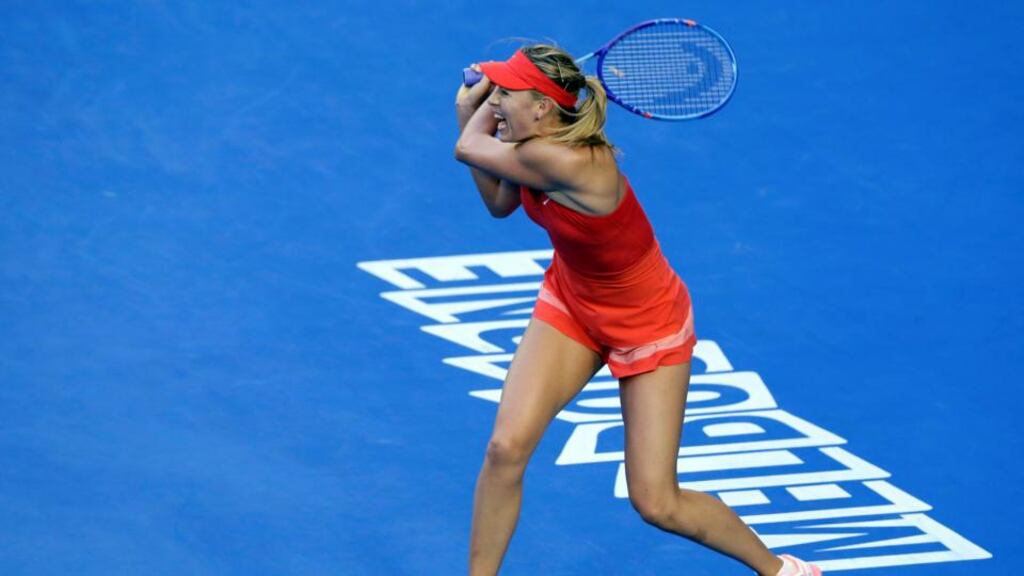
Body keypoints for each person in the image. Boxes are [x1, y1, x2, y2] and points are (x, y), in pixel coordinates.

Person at [453, 44, 822, 576]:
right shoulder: (532, 142)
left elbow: (468, 148)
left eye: (506, 91)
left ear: (542, 108)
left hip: (647, 323)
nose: (496, 98)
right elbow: (500, 204)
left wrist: (470, 112)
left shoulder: (557, 159)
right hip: (575, 302)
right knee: (505, 449)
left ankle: (783, 571)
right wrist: (487, 111)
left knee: (656, 503)